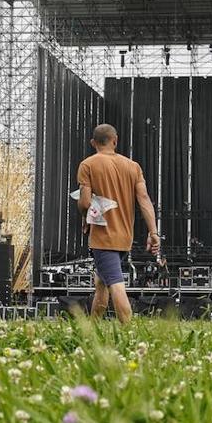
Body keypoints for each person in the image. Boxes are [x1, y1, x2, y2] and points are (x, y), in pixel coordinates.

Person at [77, 124, 160, 324]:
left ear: (93, 143)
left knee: (115, 284)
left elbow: (85, 203)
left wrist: (84, 216)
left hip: (103, 238)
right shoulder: (133, 166)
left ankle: (129, 331)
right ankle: (93, 327)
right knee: (101, 283)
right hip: (125, 237)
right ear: (115, 141)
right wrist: (153, 232)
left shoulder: (88, 165)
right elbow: (144, 199)